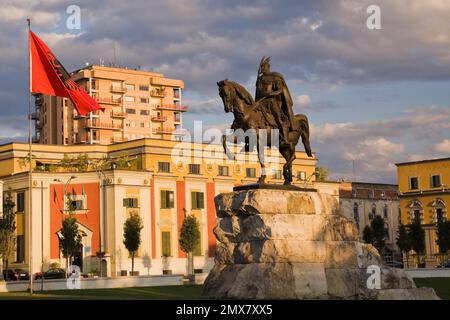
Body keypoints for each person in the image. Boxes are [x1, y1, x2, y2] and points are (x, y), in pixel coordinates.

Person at [255, 56, 295, 144]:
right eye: (261, 67)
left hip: (271, 102)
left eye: (263, 67)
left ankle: (285, 139)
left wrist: (270, 94)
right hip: (261, 102)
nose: (262, 69)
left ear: (268, 68)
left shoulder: (275, 77)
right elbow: (258, 93)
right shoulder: (260, 79)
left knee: (278, 117)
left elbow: (280, 90)